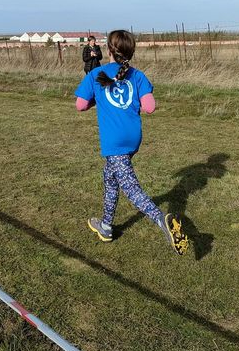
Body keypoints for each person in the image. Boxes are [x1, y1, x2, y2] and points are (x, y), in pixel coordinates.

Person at [74, 29, 188, 255]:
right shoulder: (138, 76)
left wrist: (97, 101)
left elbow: (80, 104)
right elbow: (150, 107)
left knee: (130, 187)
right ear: (131, 52)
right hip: (133, 139)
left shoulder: (96, 75)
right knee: (110, 177)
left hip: (114, 142)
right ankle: (105, 226)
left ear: (108, 50)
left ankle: (161, 221)